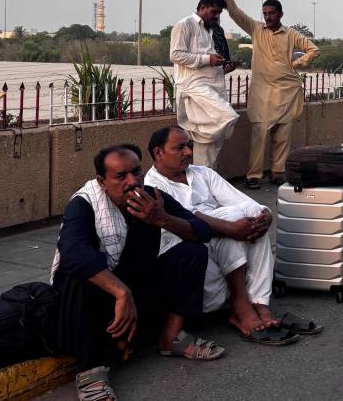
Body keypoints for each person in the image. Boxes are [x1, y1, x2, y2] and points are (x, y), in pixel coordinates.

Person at [51, 146, 223, 401]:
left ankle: (171, 338)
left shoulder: (152, 197)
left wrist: (162, 218)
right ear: (102, 181)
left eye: (136, 172)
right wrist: (121, 293)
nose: (132, 182)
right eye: (121, 176)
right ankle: (89, 371)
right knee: (75, 272)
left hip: (137, 284)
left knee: (192, 252)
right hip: (96, 294)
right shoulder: (83, 203)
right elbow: (72, 251)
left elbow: (202, 230)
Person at [143, 126, 311, 346]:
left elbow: (245, 202)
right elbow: (189, 218)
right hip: (190, 249)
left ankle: (260, 304)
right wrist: (230, 227)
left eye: (189, 146)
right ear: (158, 153)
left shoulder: (203, 174)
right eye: (180, 148)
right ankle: (241, 306)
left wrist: (265, 216)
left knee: (252, 220)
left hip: (221, 246)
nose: (188, 152)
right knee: (232, 218)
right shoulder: (152, 185)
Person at [219, 0, 321, 188]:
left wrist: (296, 64)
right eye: (265, 13)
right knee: (259, 136)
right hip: (262, 92)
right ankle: (254, 176)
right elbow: (234, 12)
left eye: (272, 13)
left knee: (283, 136)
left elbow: (314, 50)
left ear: (280, 14)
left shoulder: (291, 34)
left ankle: (277, 172)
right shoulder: (256, 29)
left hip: (286, 90)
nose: (268, 16)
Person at [169, 0, 239, 170]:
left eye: (219, 13)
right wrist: (208, 59)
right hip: (194, 88)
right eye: (214, 12)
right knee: (227, 117)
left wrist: (221, 67)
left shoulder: (210, 29)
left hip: (213, 86)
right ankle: (203, 181)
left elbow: (209, 59)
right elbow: (176, 55)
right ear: (201, 7)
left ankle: (206, 184)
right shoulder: (185, 25)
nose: (216, 17)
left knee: (212, 138)